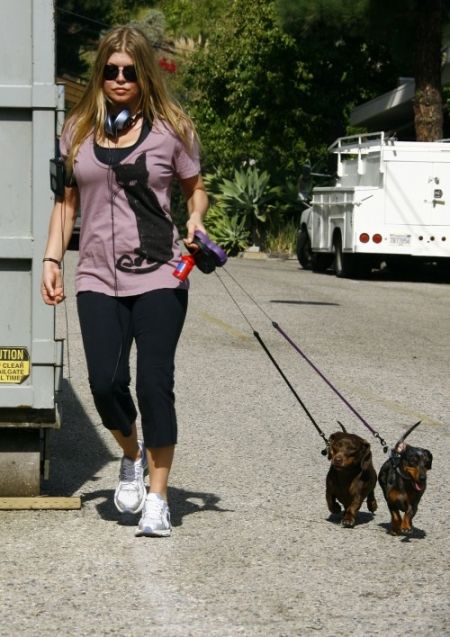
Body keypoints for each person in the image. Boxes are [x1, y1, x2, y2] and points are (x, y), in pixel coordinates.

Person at [41, 25, 208, 537]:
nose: (119, 79)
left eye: (129, 72)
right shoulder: (77, 132)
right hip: (95, 273)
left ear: (143, 75)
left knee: (154, 383)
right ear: (100, 74)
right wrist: (51, 259)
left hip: (161, 273)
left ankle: (158, 500)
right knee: (105, 383)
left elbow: (195, 189)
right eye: (110, 70)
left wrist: (196, 221)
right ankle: (132, 455)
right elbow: (66, 203)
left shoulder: (172, 128)